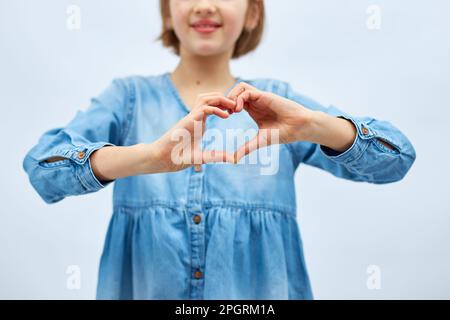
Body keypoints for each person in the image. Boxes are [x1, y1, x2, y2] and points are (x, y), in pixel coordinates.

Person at [22, 0, 416, 299]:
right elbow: (42, 168)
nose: (206, 5)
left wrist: (315, 125)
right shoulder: (128, 99)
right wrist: (147, 158)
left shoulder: (278, 103)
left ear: (252, 13)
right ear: (166, 11)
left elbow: (396, 159)